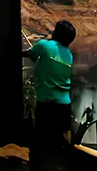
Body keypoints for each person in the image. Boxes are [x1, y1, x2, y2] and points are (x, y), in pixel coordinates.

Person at [24, 19, 77, 170]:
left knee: (40, 140)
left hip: (46, 103)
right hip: (64, 106)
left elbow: (30, 53)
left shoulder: (44, 45)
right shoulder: (69, 55)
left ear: (56, 33)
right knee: (58, 142)